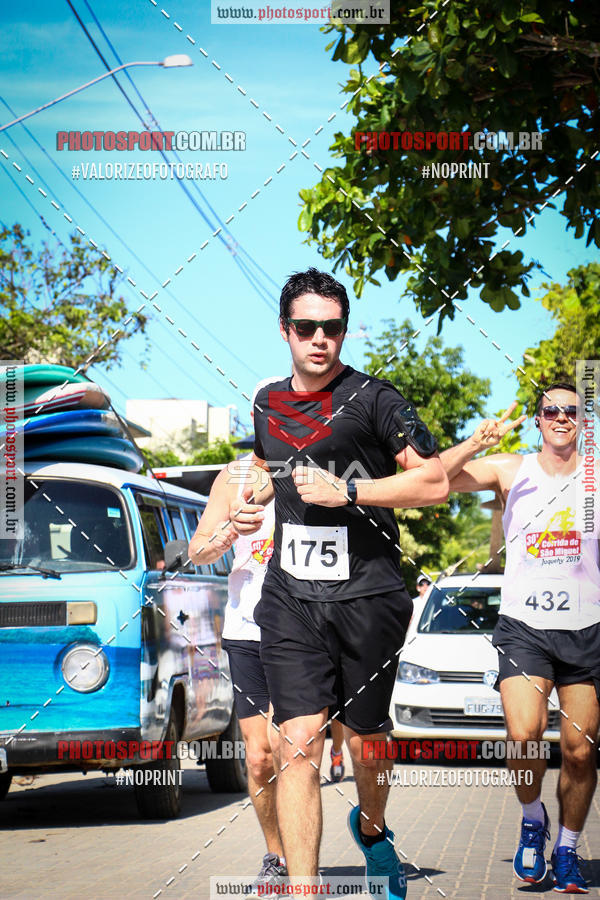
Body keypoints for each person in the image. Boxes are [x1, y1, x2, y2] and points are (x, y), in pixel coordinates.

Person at [231, 267, 448, 897]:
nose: (319, 338)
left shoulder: (378, 400)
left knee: (366, 740)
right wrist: (250, 505)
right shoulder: (266, 400)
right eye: (306, 327)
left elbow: (432, 482)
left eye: (331, 328)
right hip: (291, 596)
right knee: (297, 742)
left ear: (344, 332)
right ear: (285, 331)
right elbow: (269, 472)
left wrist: (349, 490)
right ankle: (306, 889)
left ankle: (374, 829)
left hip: (369, 595)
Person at [440, 383, 600, 894]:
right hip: (524, 628)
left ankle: (569, 850)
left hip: (587, 627)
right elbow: (432, 479)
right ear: (537, 420)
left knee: (579, 751)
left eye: (572, 411)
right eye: (550, 410)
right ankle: (533, 819)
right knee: (525, 737)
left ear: (583, 420)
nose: (561, 417)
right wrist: (475, 443)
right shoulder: (511, 469)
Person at [188, 376, 287, 893]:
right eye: (266, 412)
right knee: (257, 754)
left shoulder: (316, 469)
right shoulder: (233, 477)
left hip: (305, 627)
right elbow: (197, 551)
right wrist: (230, 531)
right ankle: (276, 855)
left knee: (288, 744)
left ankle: (309, 844)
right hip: (247, 627)